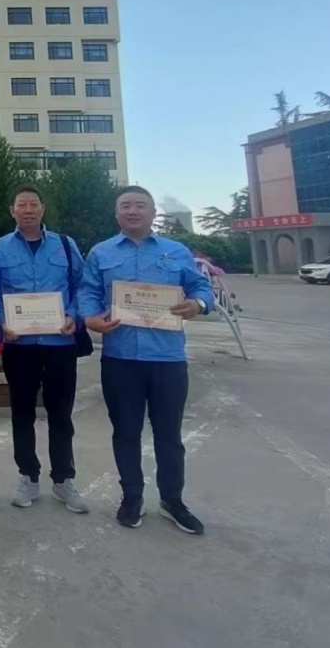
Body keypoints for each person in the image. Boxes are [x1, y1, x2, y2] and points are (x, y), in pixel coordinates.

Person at [78, 186, 215, 534]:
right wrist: (89, 318)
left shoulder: (176, 251)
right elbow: (88, 291)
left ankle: (173, 500)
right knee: (126, 432)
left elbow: (201, 287)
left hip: (167, 358)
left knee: (169, 434)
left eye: (140, 205)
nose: (132, 211)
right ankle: (132, 497)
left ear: (153, 213)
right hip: (120, 358)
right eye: (125, 206)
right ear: (116, 214)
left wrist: (198, 304)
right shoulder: (101, 252)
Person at [0, 185, 90, 514]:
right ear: (12, 210)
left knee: (61, 414)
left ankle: (63, 479)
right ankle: (28, 476)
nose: (28, 210)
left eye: (33, 205)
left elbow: (83, 286)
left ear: (42, 209)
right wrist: (1, 320)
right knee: (22, 413)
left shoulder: (65, 245)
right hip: (20, 345)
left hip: (60, 344)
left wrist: (73, 315)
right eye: (22, 205)